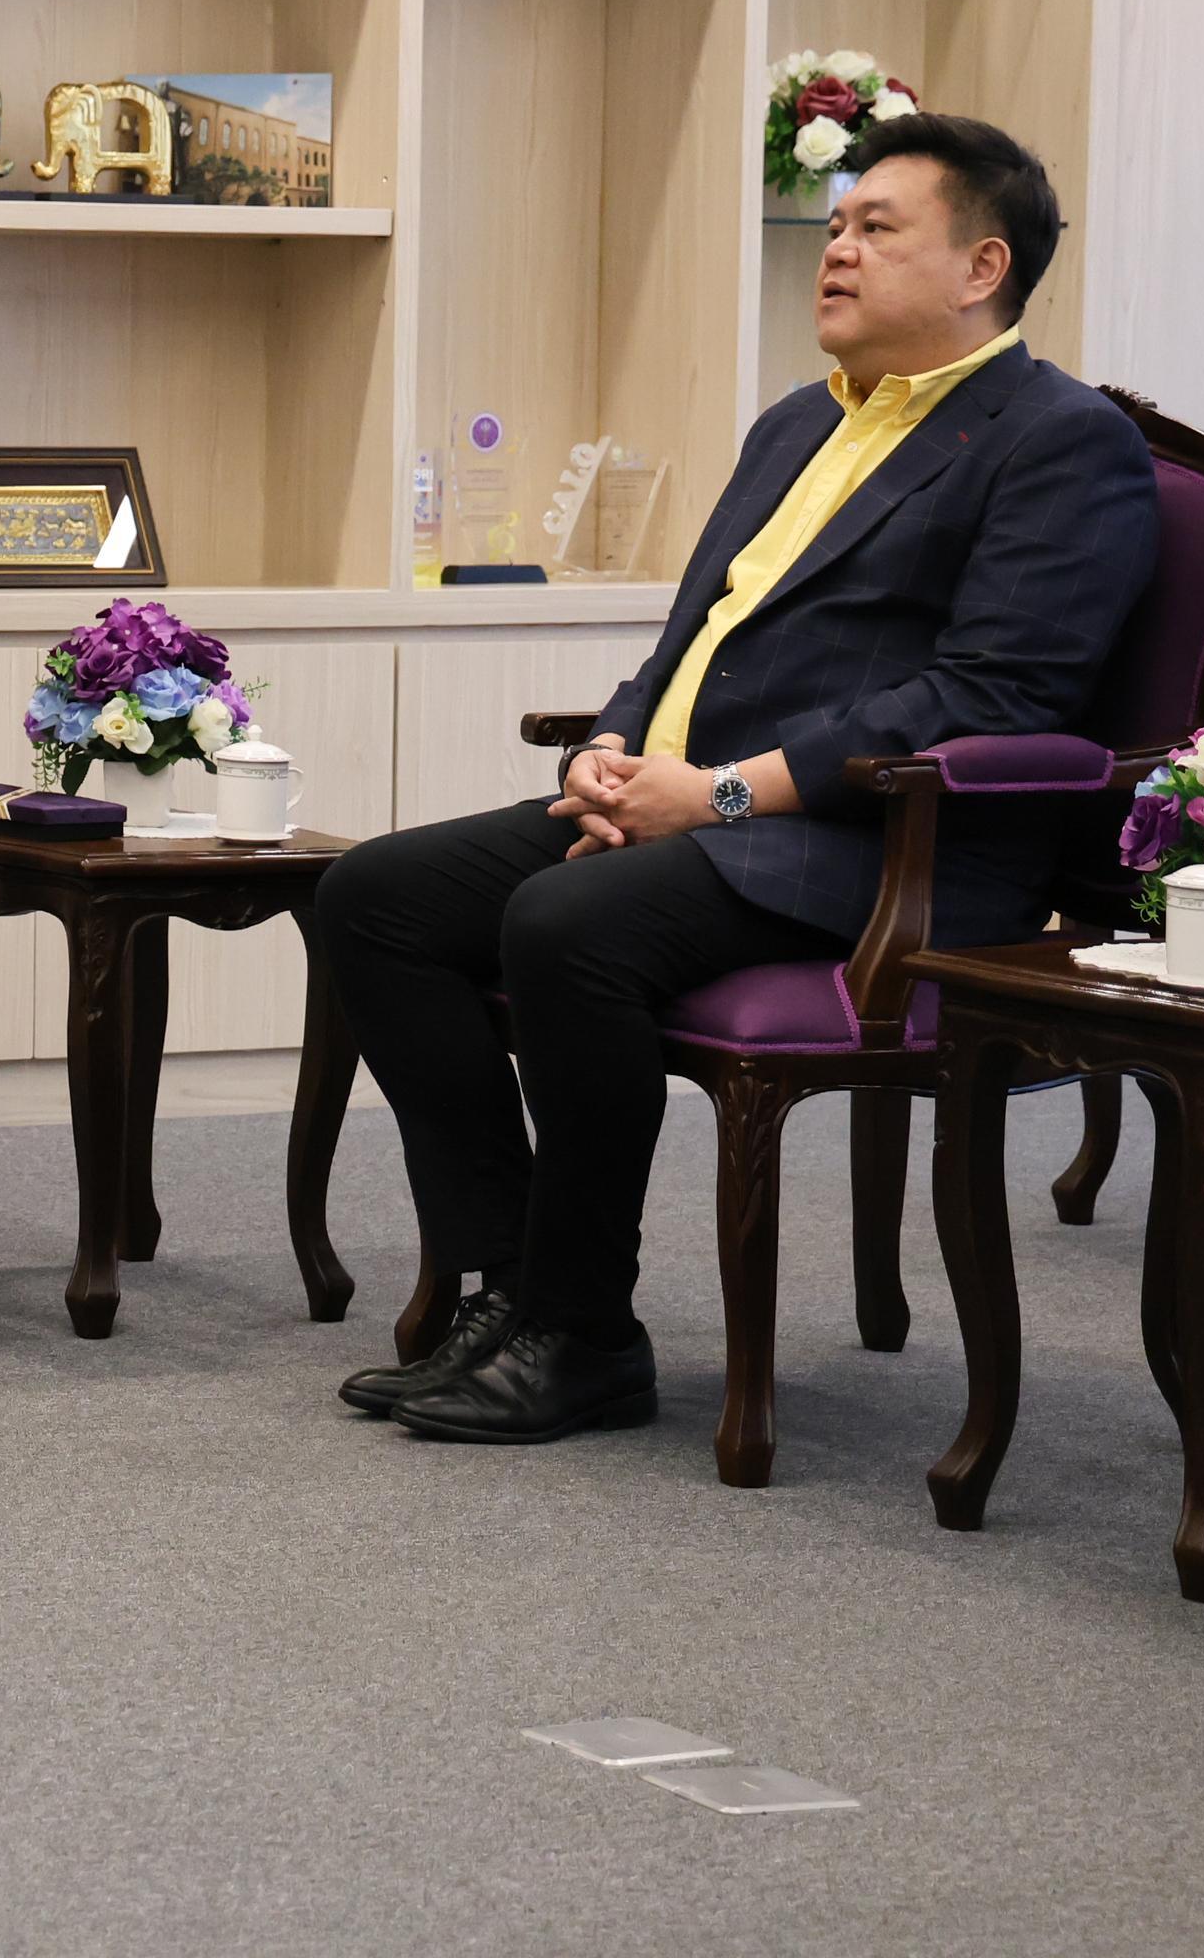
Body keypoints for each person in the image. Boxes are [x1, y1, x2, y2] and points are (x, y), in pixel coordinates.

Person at [317, 112, 1159, 1444]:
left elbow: (993, 696)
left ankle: (585, 1336)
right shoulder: (796, 424)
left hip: (886, 848)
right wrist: (607, 750)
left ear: (982, 266)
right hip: (694, 807)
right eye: (835, 225)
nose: (836, 250)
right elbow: (691, 637)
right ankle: (509, 1286)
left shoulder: (1060, 441)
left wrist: (713, 795)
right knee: (374, 897)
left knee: (565, 924)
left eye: (877, 228)